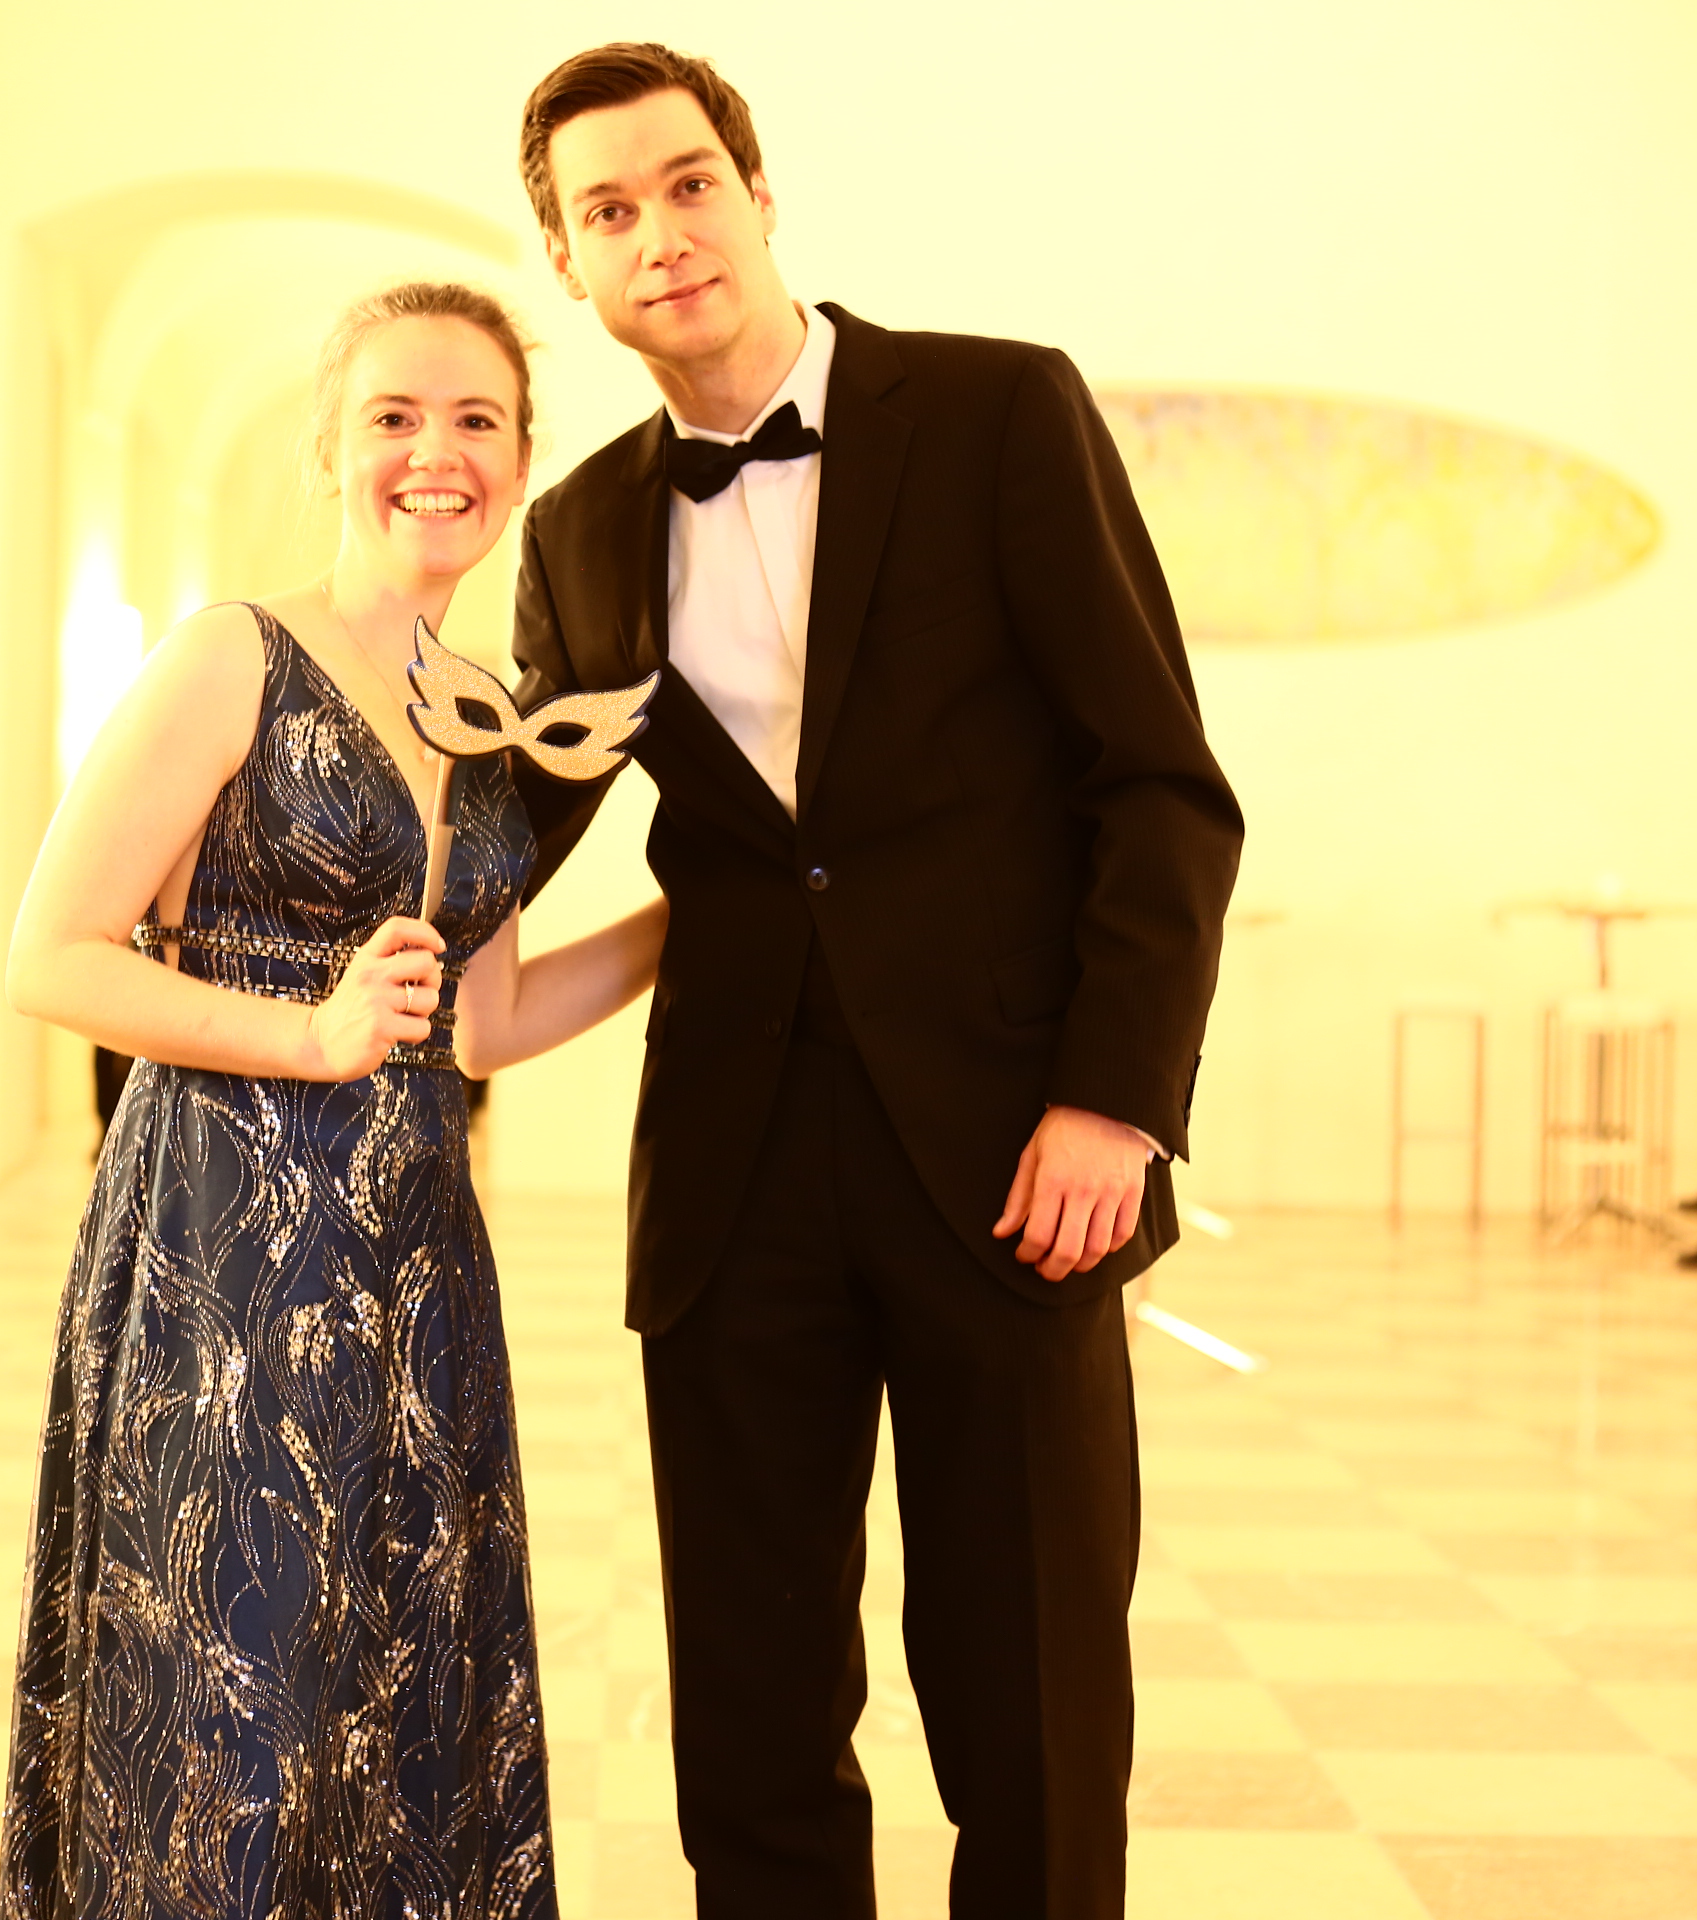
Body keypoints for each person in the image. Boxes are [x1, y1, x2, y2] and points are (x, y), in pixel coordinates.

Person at [505, 46, 1243, 1919]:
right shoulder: (579, 530)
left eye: (688, 184)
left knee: (1030, 1693)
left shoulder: (999, 410)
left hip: (1016, 1156)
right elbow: (508, 826)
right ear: (569, 266)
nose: (661, 235)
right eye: (608, 211)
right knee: (751, 1710)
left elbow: (1160, 784)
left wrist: (1116, 1101)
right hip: (734, 1173)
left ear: (759, 195)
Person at [0, 282, 665, 1920]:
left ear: (520, 463)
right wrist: (307, 1034)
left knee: (398, 1706)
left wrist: (695, 921)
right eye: (394, 416)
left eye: (476, 420)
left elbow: (488, 1026)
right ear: (329, 450)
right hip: (224, 1253)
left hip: (418, 1273)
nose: (437, 452)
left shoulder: (485, 719)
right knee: (233, 1702)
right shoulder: (233, 657)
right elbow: (51, 955)